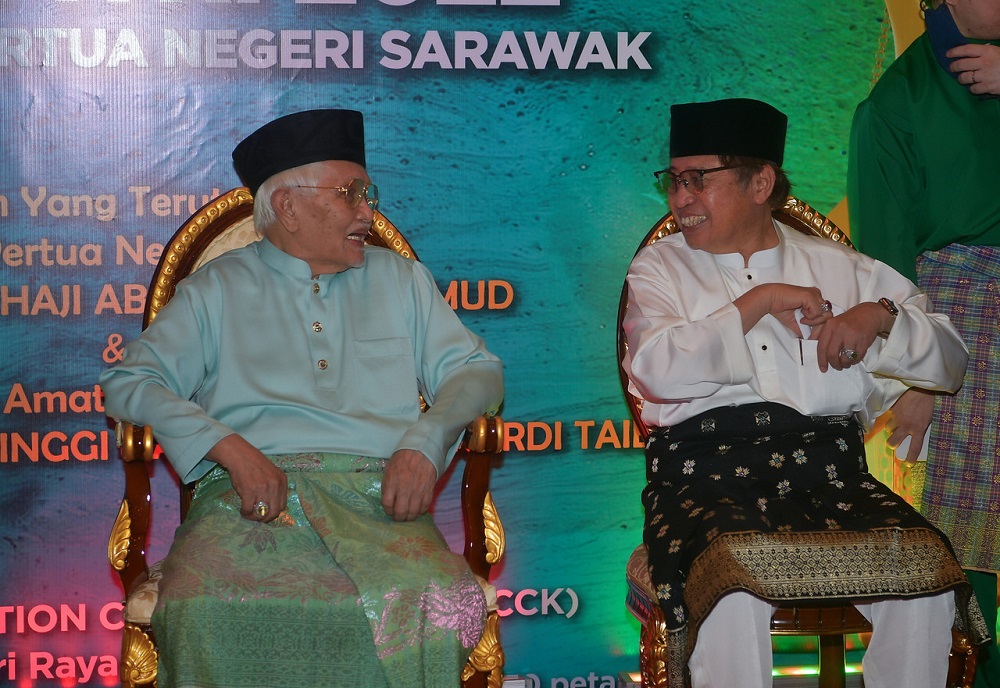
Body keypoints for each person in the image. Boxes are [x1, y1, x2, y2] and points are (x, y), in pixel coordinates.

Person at [99, 109, 504, 688]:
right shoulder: (216, 288)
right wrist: (228, 448)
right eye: (351, 194)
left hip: (380, 499)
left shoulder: (400, 280)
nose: (368, 212)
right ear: (287, 206)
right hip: (250, 501)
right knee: (199, 608)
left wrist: (425, 441)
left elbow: (478, 372)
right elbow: (129, 382)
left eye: (368, 193)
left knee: (436, 606)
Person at [622, 97, 988, 688]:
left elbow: (951, 361)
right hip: (703, 482)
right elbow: (657, 371)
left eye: (698, 180)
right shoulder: (659, 270)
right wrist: (758, 303)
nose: (680, 197)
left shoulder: (844, 268)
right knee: (734, 583)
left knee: (925, 573)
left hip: (831, 480)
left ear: (760, 181)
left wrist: (883, 316)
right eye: (673, 180)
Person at [848, 1, 1000, 684]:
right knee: (964, 525)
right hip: (966, 317)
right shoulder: (895, 105)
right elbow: (883, 266)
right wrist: (918, 376)